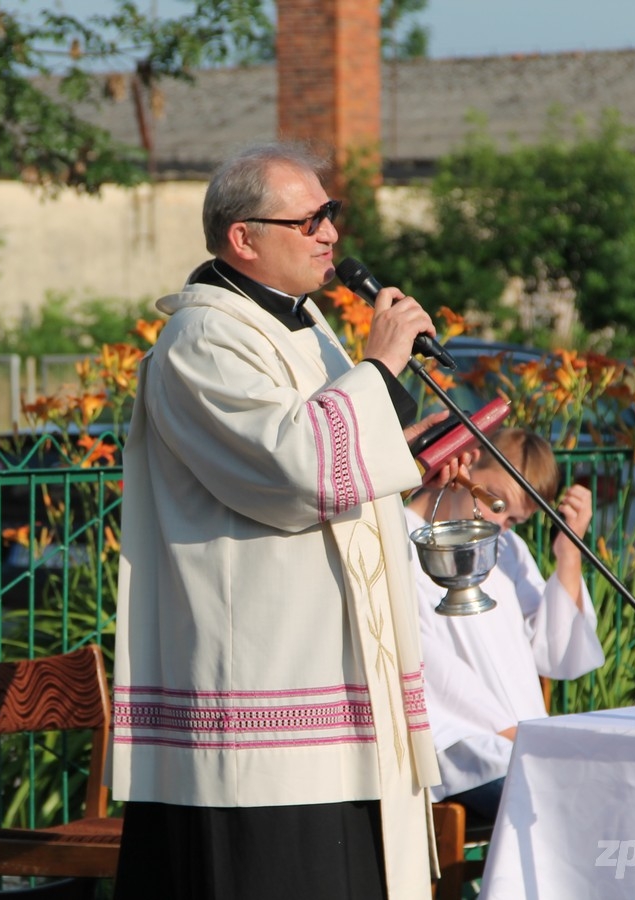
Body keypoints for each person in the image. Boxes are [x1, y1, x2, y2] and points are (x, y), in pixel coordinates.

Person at [110, 140, 464, 900]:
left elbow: (334, 453)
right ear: (244, 238)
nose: (331, 233)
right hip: (263, 696)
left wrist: (401, 447)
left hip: (333, 677)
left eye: (329, 214)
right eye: (308, 220)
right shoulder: (203, 338)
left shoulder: (305, 327)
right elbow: (293, 467)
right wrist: (380, 371)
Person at [405, 427, 604, 820]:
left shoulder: (506, 548)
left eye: (515, 520)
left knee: (605, 798)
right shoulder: (399, 543)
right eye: (497, 505)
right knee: (566, 811)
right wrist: (513, 736)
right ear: (468, 460)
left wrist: (569, 553)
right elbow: (429, 673)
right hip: (462, 750)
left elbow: (557, 654)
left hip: (521, 742)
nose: (500, 526)